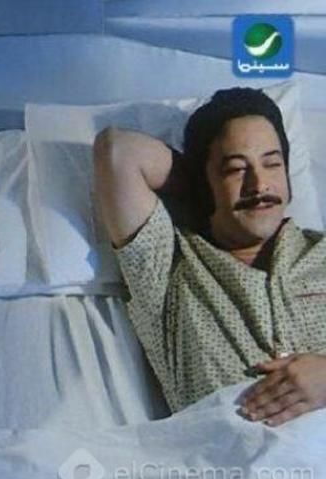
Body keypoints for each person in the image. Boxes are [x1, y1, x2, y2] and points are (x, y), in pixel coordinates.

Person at [93, 87, 326, 427]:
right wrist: (203, 188)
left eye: (272, 164)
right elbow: (117, 151)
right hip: (231, 458)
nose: (259, 184)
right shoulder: (169, 270)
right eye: (236, 169)